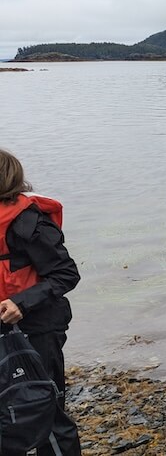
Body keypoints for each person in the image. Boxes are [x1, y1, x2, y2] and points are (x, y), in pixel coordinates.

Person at [1, 148, 82, 454]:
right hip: (3, 329)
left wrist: (21, 302)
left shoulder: (29, 222)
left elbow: (66, 274)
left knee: (45, 408)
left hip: (37, 327)